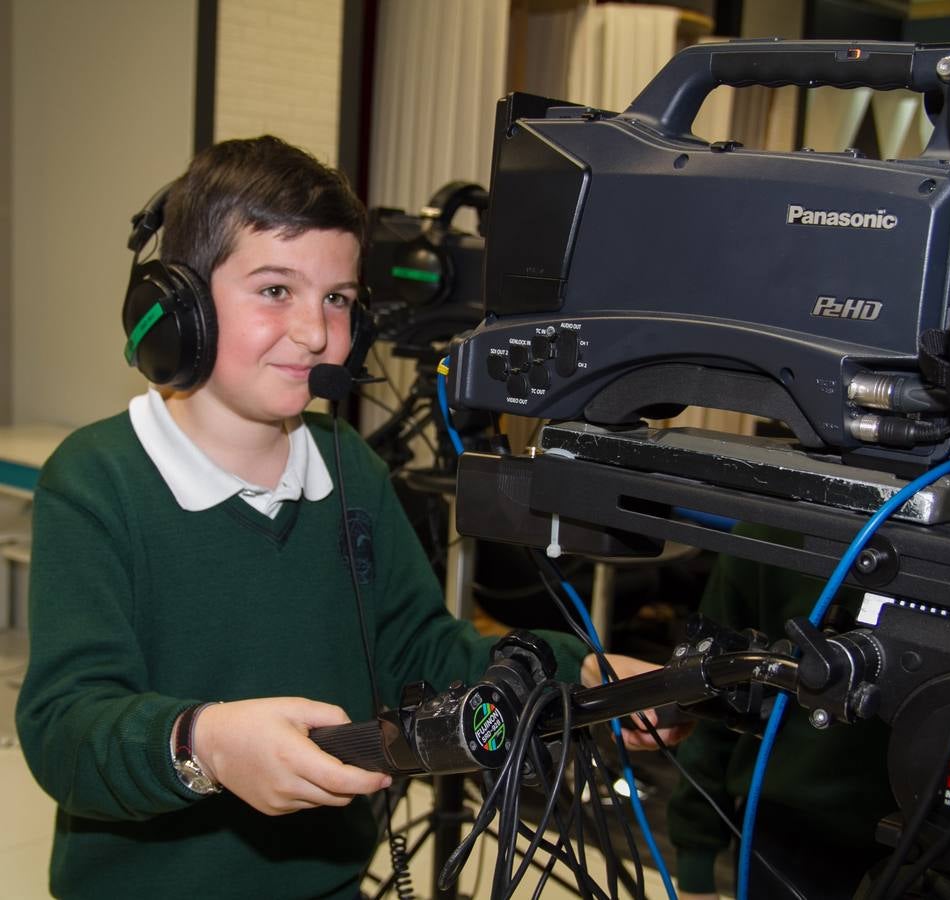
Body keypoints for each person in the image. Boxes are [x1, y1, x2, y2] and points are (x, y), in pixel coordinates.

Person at [15, 136, 679, 900]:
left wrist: (579, 677)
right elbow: (65, 729)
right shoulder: (98, 481)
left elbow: (417, 651)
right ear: (178, 309)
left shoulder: (350, 469)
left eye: (336, 299)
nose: (314, 331)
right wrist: (204, 744)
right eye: (274, 290)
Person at [668, 524, 896, 900]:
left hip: (931, 841)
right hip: (789, 832)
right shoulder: (769, 531)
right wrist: (695, 859)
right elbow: (712, 699)